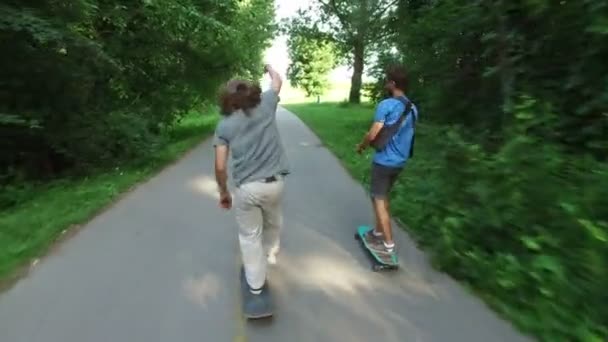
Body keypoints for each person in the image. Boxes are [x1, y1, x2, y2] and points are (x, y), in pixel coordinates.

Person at [213, 65, 289, 304]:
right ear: (250, 93)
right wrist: (269, 68)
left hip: (247, 188)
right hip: (275, 183)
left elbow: (220, 167)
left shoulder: (224, 126)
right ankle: (271, 252)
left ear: (228, 99)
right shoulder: (266, 105)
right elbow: (277, 80)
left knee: (249, 235)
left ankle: (256, 286)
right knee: (273, 220)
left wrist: (224, 192)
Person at [356, 65, 418, 257]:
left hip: (384, 162)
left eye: (387, 80)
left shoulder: (387, 105)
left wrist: (361, 146)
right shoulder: (413, 108)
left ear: (392, 83)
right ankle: (377, 232)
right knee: (383, 196)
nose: (385, 83)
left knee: (378, 200)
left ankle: (388, 244)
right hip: (400, 162)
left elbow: (373, 133)